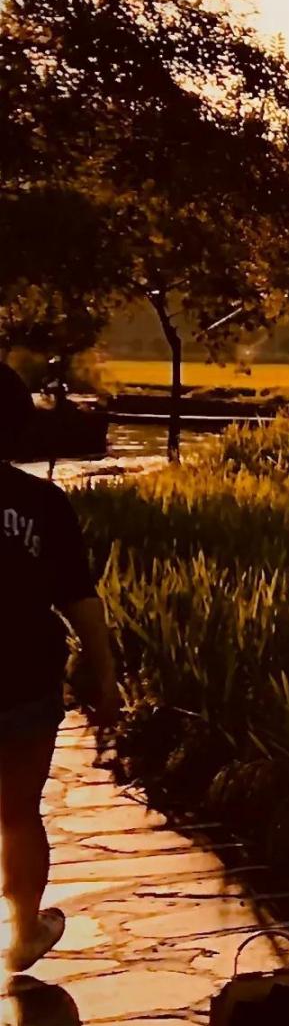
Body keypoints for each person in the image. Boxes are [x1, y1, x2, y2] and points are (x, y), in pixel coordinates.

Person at [3, 369, 122, 975]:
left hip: (26, 682)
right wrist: (104, 675)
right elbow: (80, 601)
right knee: (19, 811)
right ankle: (24, 931)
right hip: (24, 682)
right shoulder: (43, 503)